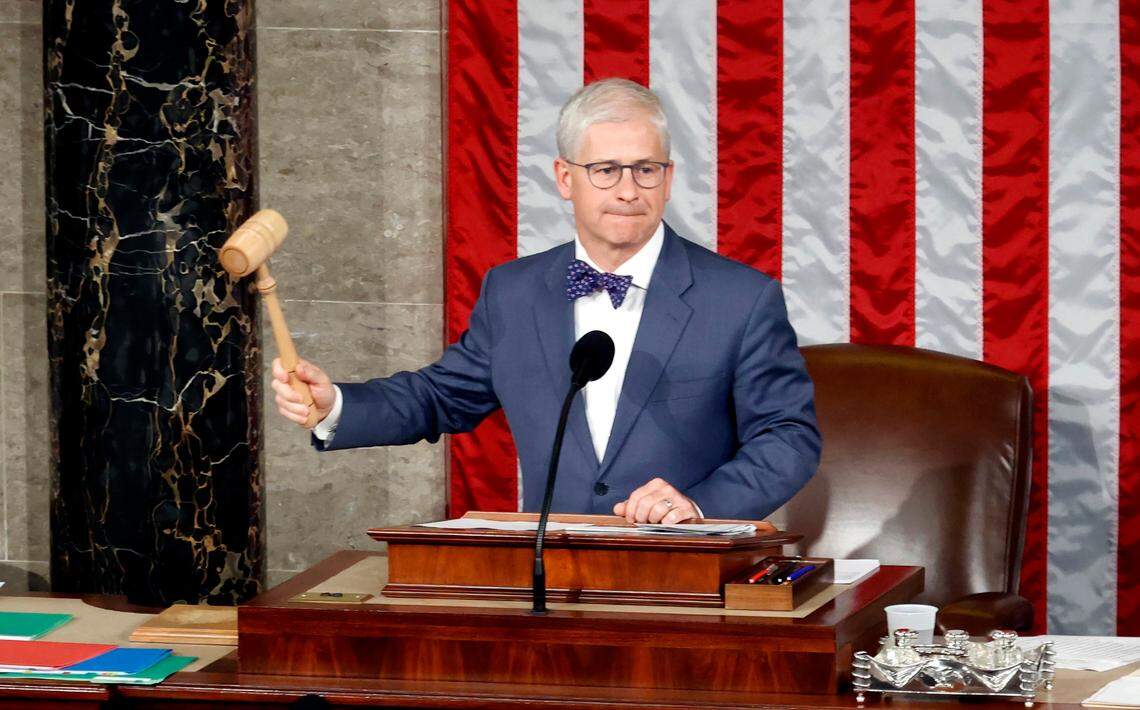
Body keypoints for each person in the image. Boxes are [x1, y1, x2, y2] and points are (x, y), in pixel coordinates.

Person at [272, 78, 821, 523]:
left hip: (687, 578)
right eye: (605, 170)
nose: (628, 191)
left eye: (646, 169)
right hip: (551, 580)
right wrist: (335, 405)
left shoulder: (742, 299)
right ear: (564, 178)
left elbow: (788, 437)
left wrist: (701, 505)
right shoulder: (513, 291)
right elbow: (441, 397)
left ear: (669, 178)